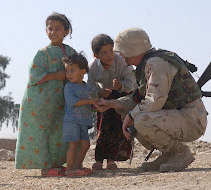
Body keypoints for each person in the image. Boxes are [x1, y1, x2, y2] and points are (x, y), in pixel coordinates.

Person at [96, 27, 207, 172]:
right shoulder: (148, 64)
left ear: (132, 50)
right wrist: (111, 104)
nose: (121, 55)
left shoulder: (157, 63)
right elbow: (137, 98)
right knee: (128, 112)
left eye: (122, 51)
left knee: (140, 119)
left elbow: (154, 101)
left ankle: (180, 153)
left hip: (191, 119)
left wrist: (130, 116)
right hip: (178, 116)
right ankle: (168, 154)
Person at [15, 12, 76, 177]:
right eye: (50, 29)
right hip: (39, 103)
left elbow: (78, 70)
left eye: (58, 28)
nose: (53, 32)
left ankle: (56, 164)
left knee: (57, 131)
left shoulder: (70, 51)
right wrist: (55, 75)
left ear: (66, 31)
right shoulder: (42, 53)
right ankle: (45, 168)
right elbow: (33, 77)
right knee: (41, 132)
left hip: (60, 101)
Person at [87, 34, 137, 170]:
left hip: (122, 98)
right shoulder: (92, 67)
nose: (109, 55)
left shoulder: (122, 61)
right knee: (102, 128)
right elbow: (90, 87)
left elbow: (132, 83)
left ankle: (111, 160)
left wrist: (121, 85)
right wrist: (100, 92)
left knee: (117, 129)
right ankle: (98, 161)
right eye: (104, 52)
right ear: (96, 55)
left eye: (111, 50)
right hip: (104, 99)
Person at [62, 52, 98, 176]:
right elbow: (72, 101)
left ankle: (78, 166)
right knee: (73, 145)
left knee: (85, 144)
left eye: (72, 70)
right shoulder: (69, 87)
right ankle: (69, 169)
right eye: (67, 71)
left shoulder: (87, 87)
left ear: (83, 72)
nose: (69, 74)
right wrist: (89, 101)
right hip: (72, 121)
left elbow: (92, 102)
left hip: (83, 121)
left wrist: (96, 104)